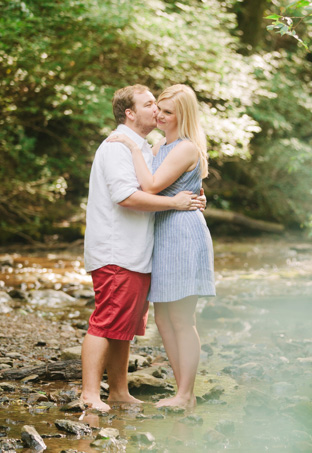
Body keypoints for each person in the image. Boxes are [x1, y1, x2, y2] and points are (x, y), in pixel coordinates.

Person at [82, 84, 205, 412]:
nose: (156, 111)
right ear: (130, 113)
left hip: (147, 248)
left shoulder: (148, 146)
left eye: (162, 107)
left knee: (125, 324)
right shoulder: (119, 146)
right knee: (108, 320)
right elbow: (128, 195)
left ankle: (121, 391)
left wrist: (191, 196)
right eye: (151, 105)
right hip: (116, 249)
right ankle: (90, 394)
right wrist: (175, 203)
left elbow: (178, 180)